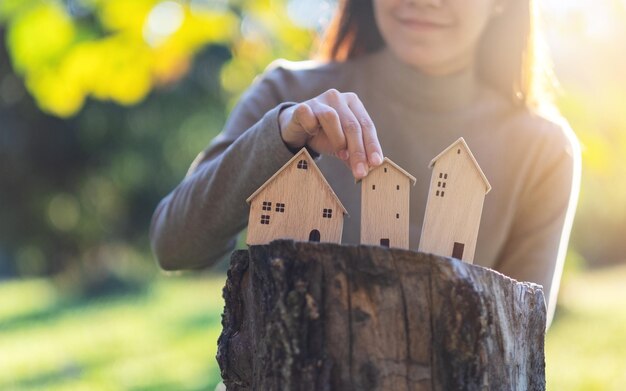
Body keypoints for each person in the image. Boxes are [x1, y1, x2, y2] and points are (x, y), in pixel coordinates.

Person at [150, 0, 580, 326]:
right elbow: (173, 245)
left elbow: (517, 337)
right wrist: (280, 136)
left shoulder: (543, 150)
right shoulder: (287, 94)